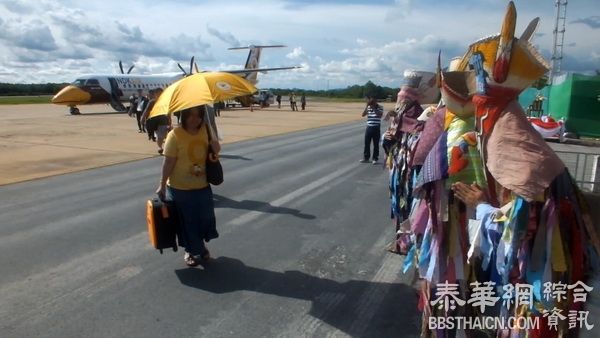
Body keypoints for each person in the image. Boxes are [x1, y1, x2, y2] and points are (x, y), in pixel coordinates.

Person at [156, 105, 221, 267]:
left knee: (205, 219)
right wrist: (162, 184)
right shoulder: (175, 135)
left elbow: (216, 150)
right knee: (188, 222)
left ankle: (200, 245)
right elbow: (168, 162)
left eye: (198, 115)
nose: (195, 119)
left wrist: (215, 143)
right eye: (190, 115)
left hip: (202, 185)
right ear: (183, 116)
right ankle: (190, 251)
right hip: (180, 188)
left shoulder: (206, 129)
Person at [360, 97, 383, 164]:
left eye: (373, 102)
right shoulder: (368, 107)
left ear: (376, 102)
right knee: (367, 143)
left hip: (376, 127)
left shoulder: (380, 107)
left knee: (376, 144)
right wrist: (367, 106)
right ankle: (366, 158)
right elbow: (363, 115)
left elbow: (379, 115)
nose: (372, 104)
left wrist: (373, 108)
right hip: (369, 127)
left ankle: (375, 158)